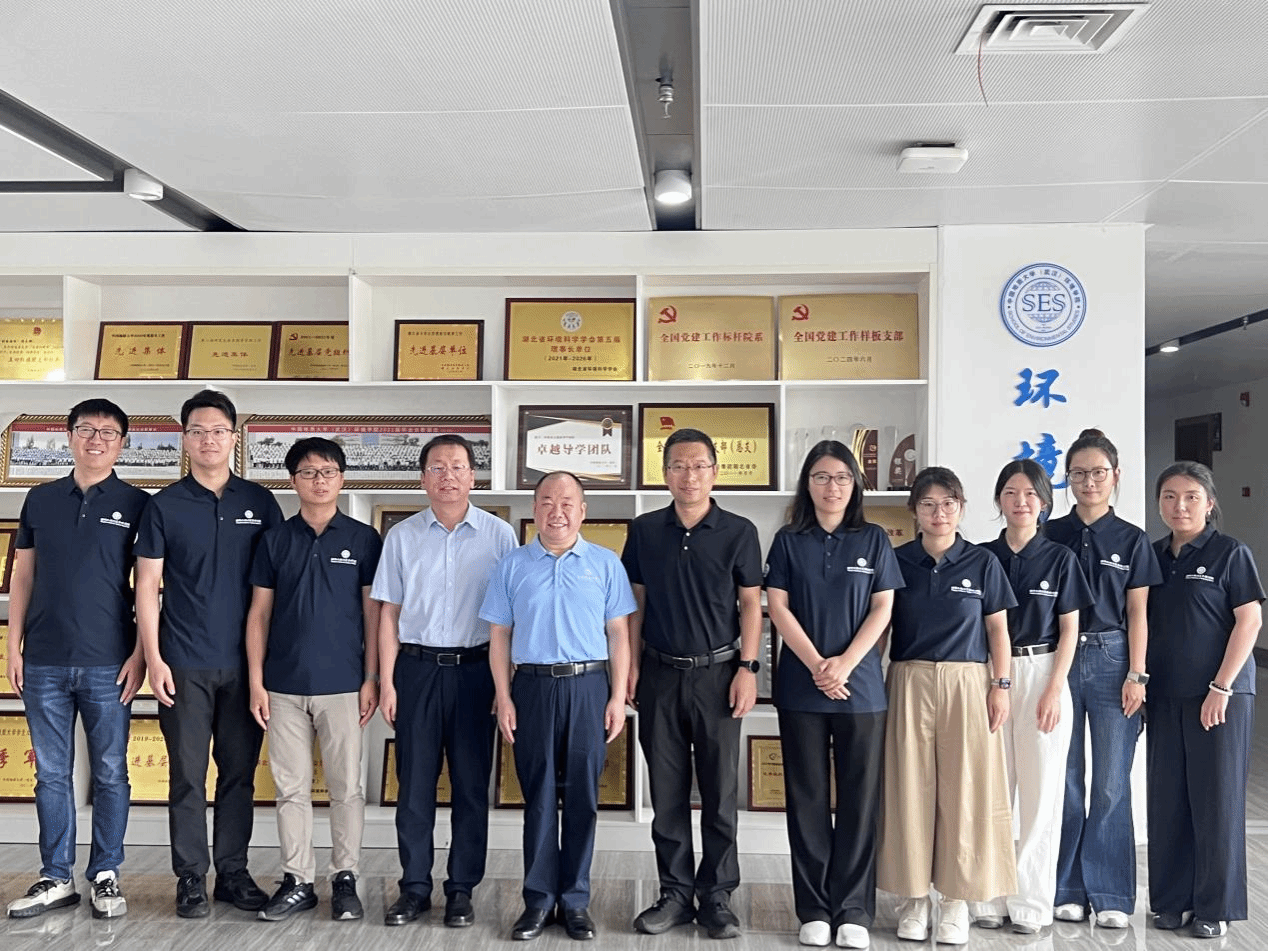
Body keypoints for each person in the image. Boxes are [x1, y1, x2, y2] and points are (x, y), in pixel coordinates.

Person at [134, 389, 283, 918]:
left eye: (218, 430)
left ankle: (233, 873)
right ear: (185, 439)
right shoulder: (163, 505)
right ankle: (191, 876)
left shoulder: (260, 503)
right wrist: (154, 659)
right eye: (197, 431)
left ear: (234, 438)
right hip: (183, 662)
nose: (208, 440)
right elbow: (146, 587)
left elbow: (276, 586)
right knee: (188, 776)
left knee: (239, 774)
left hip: (246, 665)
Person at [4, 400, 149, 921]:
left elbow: (150, 586)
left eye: (109, 432)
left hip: (110, 662)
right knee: (51, 774)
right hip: (43, 660)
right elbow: (22, 575)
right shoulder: (40, 499)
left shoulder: (138, 504)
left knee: (110, 771)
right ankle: (56, 876)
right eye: (87, 429)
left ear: (122, 444)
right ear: (69, 436)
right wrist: (13, 645)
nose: (97, 439)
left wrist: (141, 654)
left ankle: (106, 873)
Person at [621, 428, 763, 940]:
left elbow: (752, 604)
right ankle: (675, 894)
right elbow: (634, 603)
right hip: (659, 673)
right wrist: (630, 666)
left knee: (720, 793)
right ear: (664, 474)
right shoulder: (644, 530)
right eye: (678, 466)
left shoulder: (739, 531)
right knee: (667, 792)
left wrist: (748, 668)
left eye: (699, 465)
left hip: (719, 675)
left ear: (715, 472)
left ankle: (717, 897)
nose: (689, 475)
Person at [480, 472, 634, 941]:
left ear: (582, 511)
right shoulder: (512, 565)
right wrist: (503, 696)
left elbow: (619, 634)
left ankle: (576, 901)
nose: (557, 511)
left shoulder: (605, 564)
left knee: (584, 796)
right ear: (534, 509)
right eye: (547, 501)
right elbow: (499, 636)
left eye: (567, 502)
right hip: (532, 688)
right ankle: (539, 900)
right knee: (539, 797)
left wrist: (617, 697)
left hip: (589, 687)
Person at [370, 433, 516, 927]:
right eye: (437, 467)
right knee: (413, 785)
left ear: (473, 476)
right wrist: (387, 682)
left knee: (472, 787)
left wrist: (503, 684)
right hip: (417, 671)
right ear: (422, 478)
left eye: (457, 467)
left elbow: (509, 620)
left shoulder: (499, 536)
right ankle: (413, 887)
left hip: (477, 672)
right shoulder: (402, 536)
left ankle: (461, 889)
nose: (447, 476)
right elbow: (388, 614)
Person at [763, 441, 902, 950]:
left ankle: (854, 910)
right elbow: (777, 607)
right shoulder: (788, 540)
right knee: (807, 801)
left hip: (861, 690)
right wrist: (818, 665)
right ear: (808, 484)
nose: (832, 486)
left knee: (860, 803)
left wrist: (843, 664)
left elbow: (883, 608)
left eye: (842, 477)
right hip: (802, 688)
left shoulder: (874, 538)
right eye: (821, 477)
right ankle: (815, 909)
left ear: (855, 484)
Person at [876, 466, 1017, 947]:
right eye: (929, 504)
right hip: (908, 678)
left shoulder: (982, 562)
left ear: (961, 508)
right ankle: (913, 900)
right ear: (914, 511)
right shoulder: (897, 561)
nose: (940, 513)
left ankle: (955, 902)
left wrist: (1001, 685)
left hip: (968, 682)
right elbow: (881, 627)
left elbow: (998, 630)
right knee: (908, 789)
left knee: (965, 791)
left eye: (949, 504)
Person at [245, 438, 382, 922]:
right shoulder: (274, 540)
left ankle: (345, 878)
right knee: (291, 790)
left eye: (327, 472)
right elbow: (259, 615)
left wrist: (372, 677)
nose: (318, 480)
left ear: (342, 479)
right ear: (293, 481)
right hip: (282, 687)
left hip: (344, 685)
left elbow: (373, 615)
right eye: (307, 472)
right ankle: (297, 880)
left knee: (347, 788)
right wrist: (257, 681)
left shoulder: (364, 539)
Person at [969, 460, 1093, 934]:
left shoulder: (1060, 558)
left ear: (1044, 502)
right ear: (998, 500)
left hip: (1043, 671)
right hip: (988, 675)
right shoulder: (982, 557)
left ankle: (1031, 904)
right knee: (991, 789)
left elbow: (1070, 629)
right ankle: (987, 897)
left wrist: (1055, 688)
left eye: (1030, 494)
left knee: (1042, 796)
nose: (1020, 502)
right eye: (1010, 493)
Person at [1045, 428, 1160, 927]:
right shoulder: (1051, 533)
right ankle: (1067, 889)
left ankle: (1111, 894)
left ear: (1115, 475)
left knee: (1112, 783)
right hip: (1060, 661)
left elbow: (1138, 612)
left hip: (1115, 660)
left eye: (1097, 472)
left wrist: (1137, 673)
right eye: (1078, 473)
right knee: (1066, 780)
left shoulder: (1132, 538)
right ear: (1067, 479)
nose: (1088, 482)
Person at [1146, 461, 1262, 939]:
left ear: (1209, 503)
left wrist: (1221, 686)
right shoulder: (1152, 556)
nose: (1180, 506)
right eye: (1170, 496)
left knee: (1216, 801)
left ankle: (1215, 907)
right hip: (1165, 693)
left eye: (1191, 496)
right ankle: (1172, 902)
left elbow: (1249, 621)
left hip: (1219, 696)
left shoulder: (1230, 553)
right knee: (1168, 800)